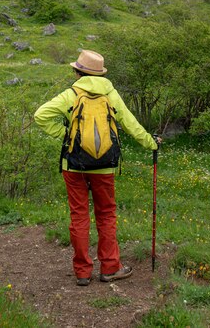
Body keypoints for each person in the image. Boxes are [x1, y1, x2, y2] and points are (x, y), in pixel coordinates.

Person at [34, 49, 159, 286]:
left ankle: (82, 272)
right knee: (106, 215)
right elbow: (130, 123)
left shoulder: (71, 94)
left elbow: (40, 115)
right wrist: (151, 143)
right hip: (104, 166)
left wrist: (67, 137)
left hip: (73, 164)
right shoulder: (110, 94)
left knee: (79, 216)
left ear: (77, 71)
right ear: (100, 73)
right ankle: (110, 268)